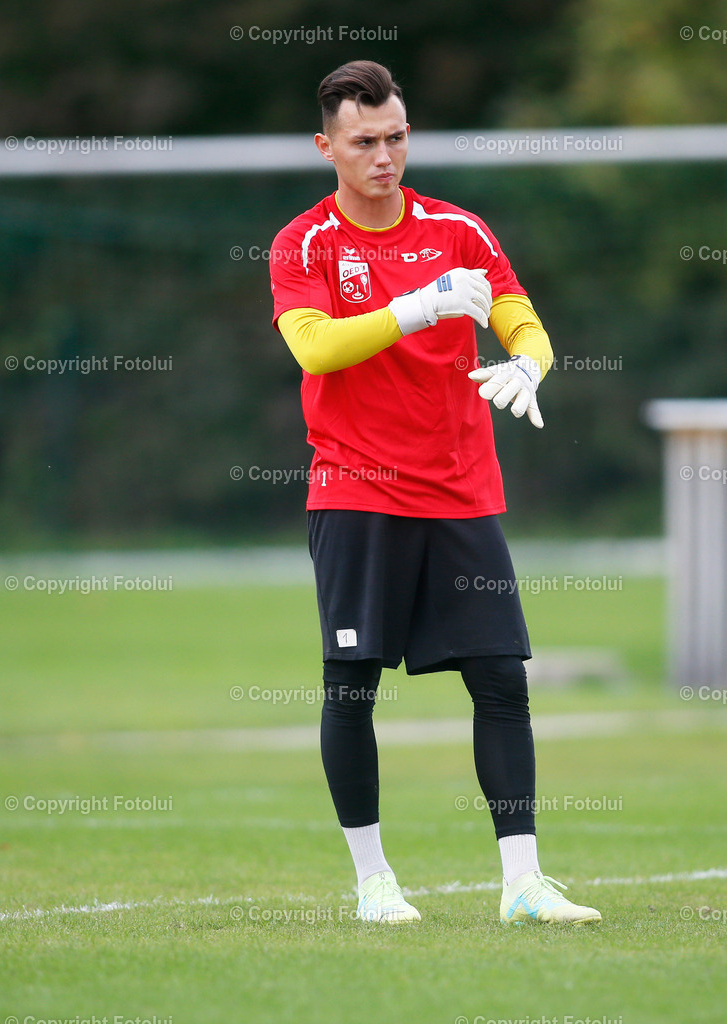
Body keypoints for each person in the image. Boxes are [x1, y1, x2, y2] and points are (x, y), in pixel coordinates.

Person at [269, 59, 601, 926]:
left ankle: (523, 884)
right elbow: (315, 349)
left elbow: (515, 308)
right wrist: (418, 308)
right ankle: (374, 882)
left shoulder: (458, 229)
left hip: (460, 489)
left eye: (397, 137)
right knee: (352, 685)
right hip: (356, 489)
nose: (385, 155)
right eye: (366, 141)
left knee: (501, 680)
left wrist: (530, 359)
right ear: (327, 146)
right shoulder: (305, 244)